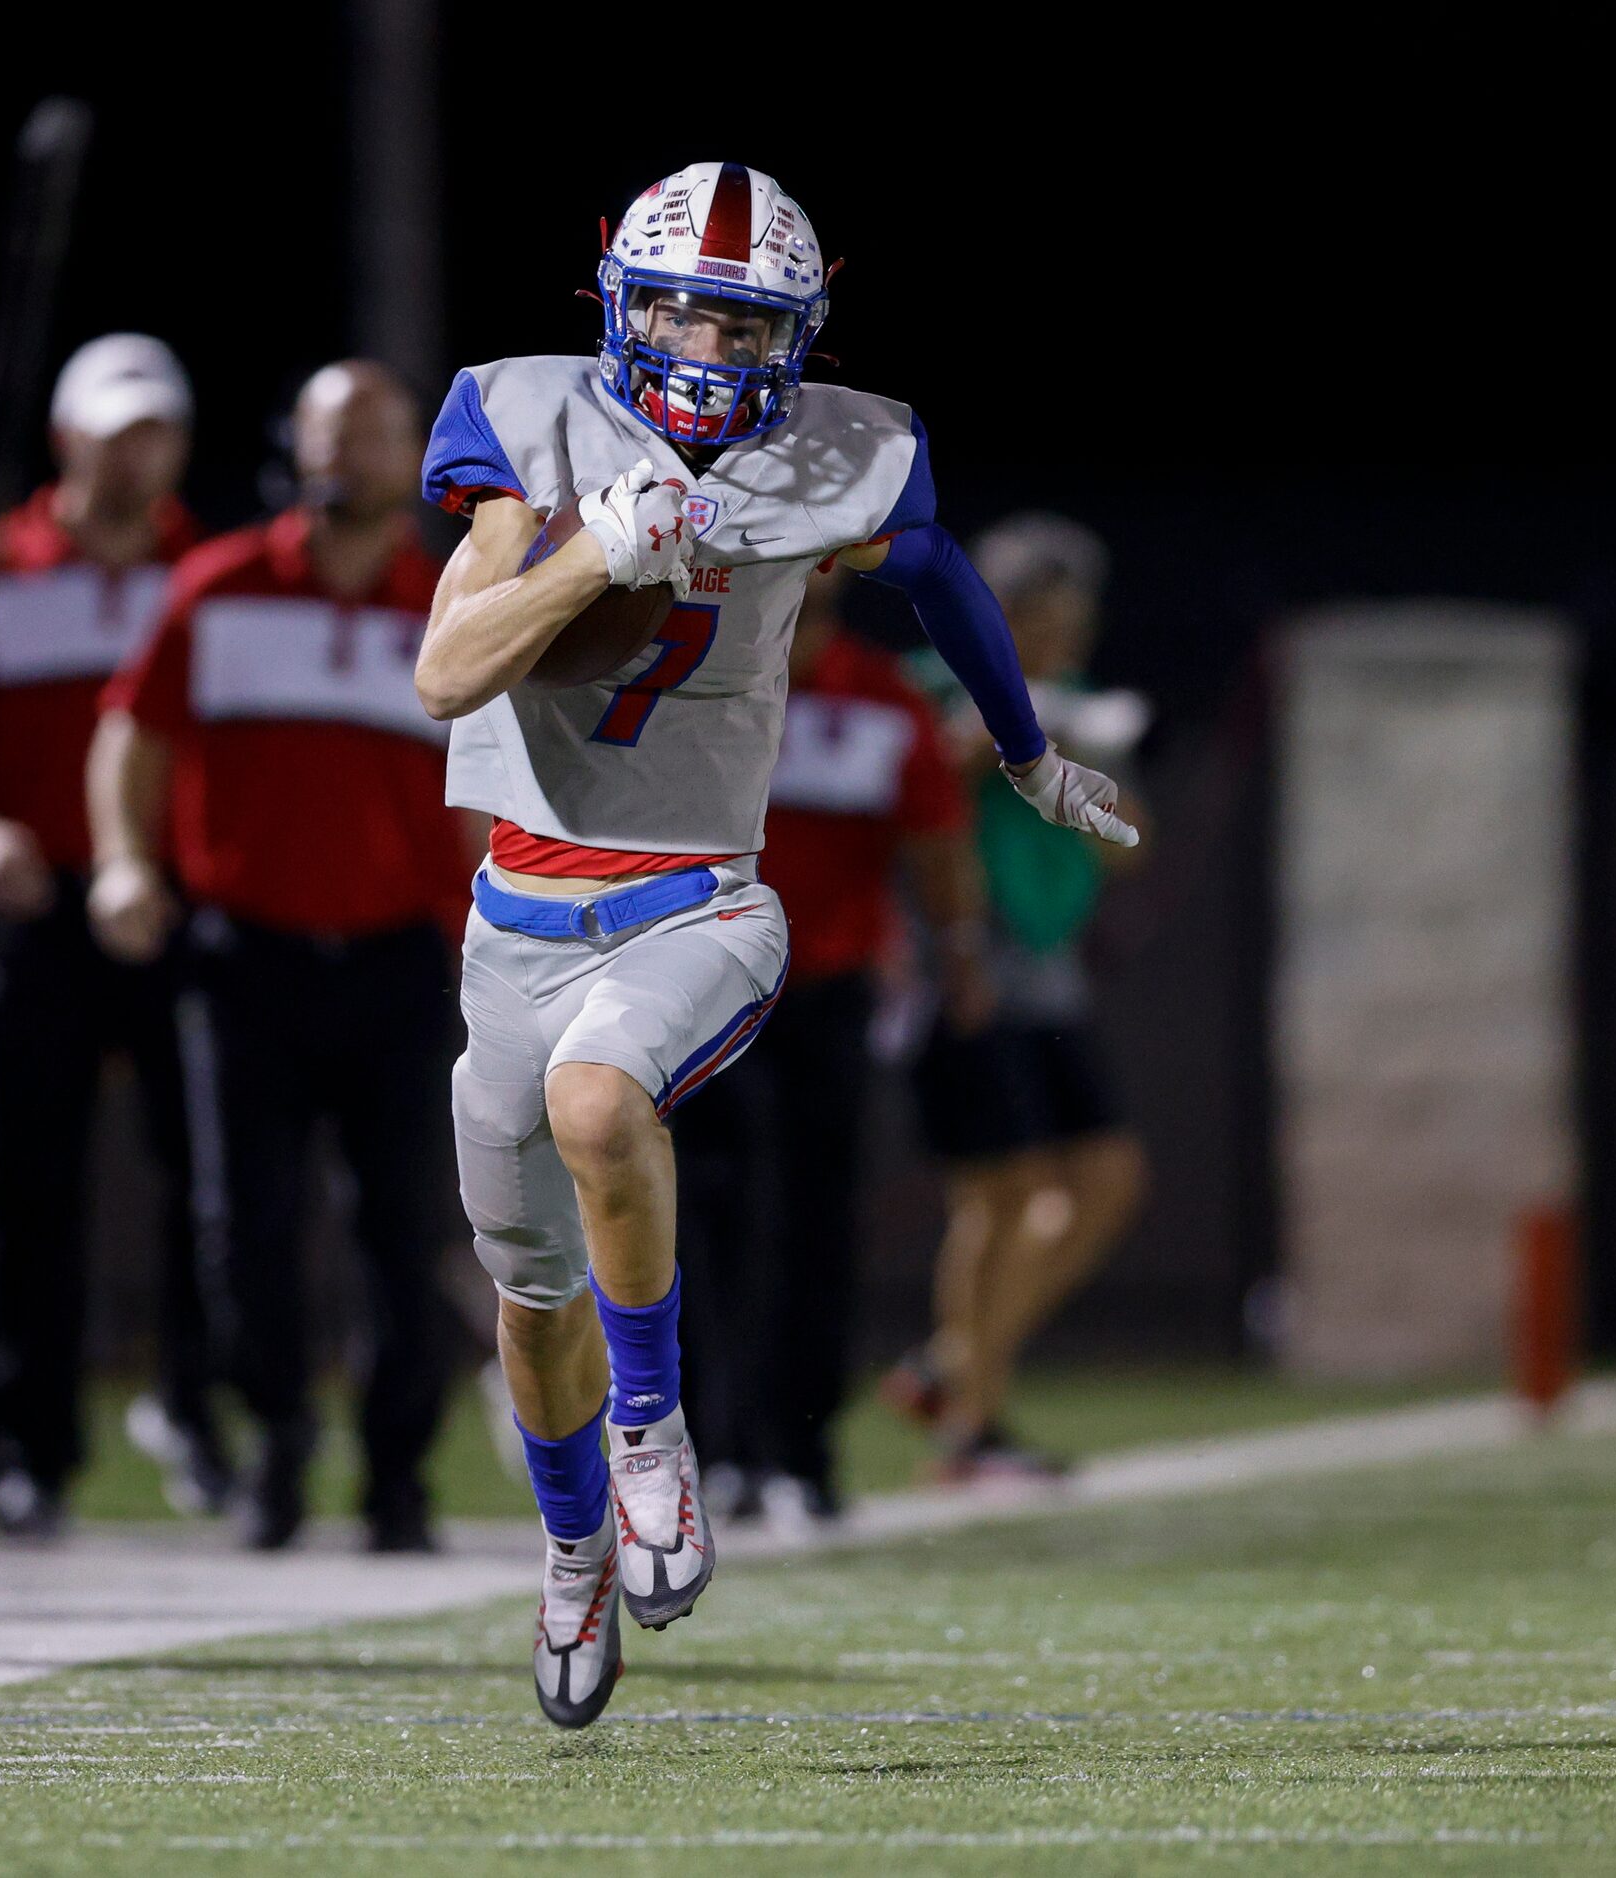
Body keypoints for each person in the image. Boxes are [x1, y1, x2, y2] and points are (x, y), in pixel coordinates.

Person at [412, 161, 1137, 1728]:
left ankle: (659, 1433)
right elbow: (445, 672)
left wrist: (1022, 752)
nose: (703, 343)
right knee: (532, 1306)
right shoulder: (521, 420)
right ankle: (571, 1544)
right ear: (616, 294)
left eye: (741, 321)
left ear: (793, 334)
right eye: (676, 304)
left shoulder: (840, 451)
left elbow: (938, 574)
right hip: (520, 910)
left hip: (703, 893)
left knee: (601, 1101)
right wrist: (593, 551)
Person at [91, 361, 477, 1553]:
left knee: (400, 1226)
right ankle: (273, 1445)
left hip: (399, 963)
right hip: (242, 957)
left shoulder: (448, 610)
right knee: (240, 1223)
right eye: (327, 432)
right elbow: (130, 734)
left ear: (412, 457)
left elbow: (486, 793)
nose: (343, 457)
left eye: (369, 436)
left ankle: (397, 1475)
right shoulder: (218, 587)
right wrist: (122, 860)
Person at [0, 334, 220, 1535]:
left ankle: (198, 1414)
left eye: (159, 430)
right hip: (29, 909)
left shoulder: (203, 568)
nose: (141, 454)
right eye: (118, 429)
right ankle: (30, 1448)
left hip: (170, 903)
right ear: (69, 439)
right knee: (23, 1193)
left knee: (210, 1180)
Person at [673, 562, 975, 1531]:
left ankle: (800, 1447)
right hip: (702, 985)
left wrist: (958, 951)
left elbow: (935, 840)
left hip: (824, 992)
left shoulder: (879, 699)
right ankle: (717, 1448)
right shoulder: (687, 679)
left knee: (814, 1224)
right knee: (707, 1221)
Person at [887, 513, 1153, 1480]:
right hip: (962, 969)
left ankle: (950, 1365)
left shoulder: (1076, 703)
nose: (1063, 640)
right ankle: (973, 1423)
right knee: (997, 1195)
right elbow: (912, 805)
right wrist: (987, 740)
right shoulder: (928, 689)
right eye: (1043, 619)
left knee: (1105, 1178)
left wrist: (1070, 760)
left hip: (1048, 969)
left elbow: (1132, 843)